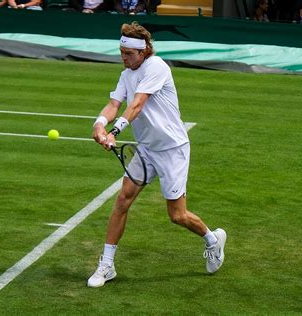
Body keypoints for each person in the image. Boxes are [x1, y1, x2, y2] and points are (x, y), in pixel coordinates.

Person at [88, 22, 227, 288]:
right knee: (122, 202)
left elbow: (137, 104)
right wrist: (99, 125)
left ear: (143, 52)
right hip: (147, 149)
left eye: (128, 54)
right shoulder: (126, 74)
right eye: (121, 52)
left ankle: (213, 239)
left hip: (172, 149)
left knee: (177, 216)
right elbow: (114, 104)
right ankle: (107, 265)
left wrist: (115, 131)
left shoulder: (157, 67)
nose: (124, 58)